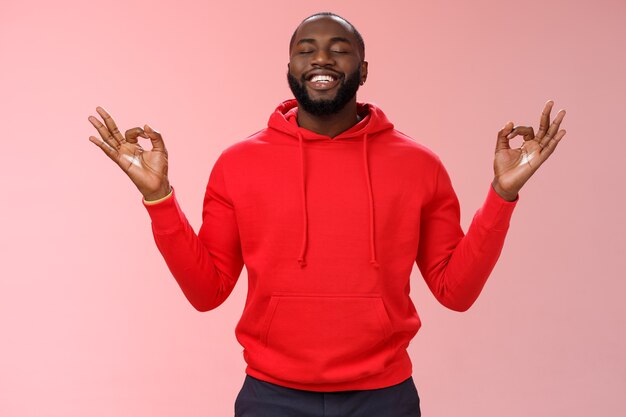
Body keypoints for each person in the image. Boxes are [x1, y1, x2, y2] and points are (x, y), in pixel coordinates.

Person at [87, 11, 567, 417]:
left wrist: (502, 196)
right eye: (306, 49)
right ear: (290, 67)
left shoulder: (420, 165)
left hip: (385, 398)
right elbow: (207, 290)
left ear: (362, 69)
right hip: (270, 397)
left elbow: (455, 292)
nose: (321, 57)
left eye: (339, 49)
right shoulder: (238, 164)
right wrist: (159, 197)